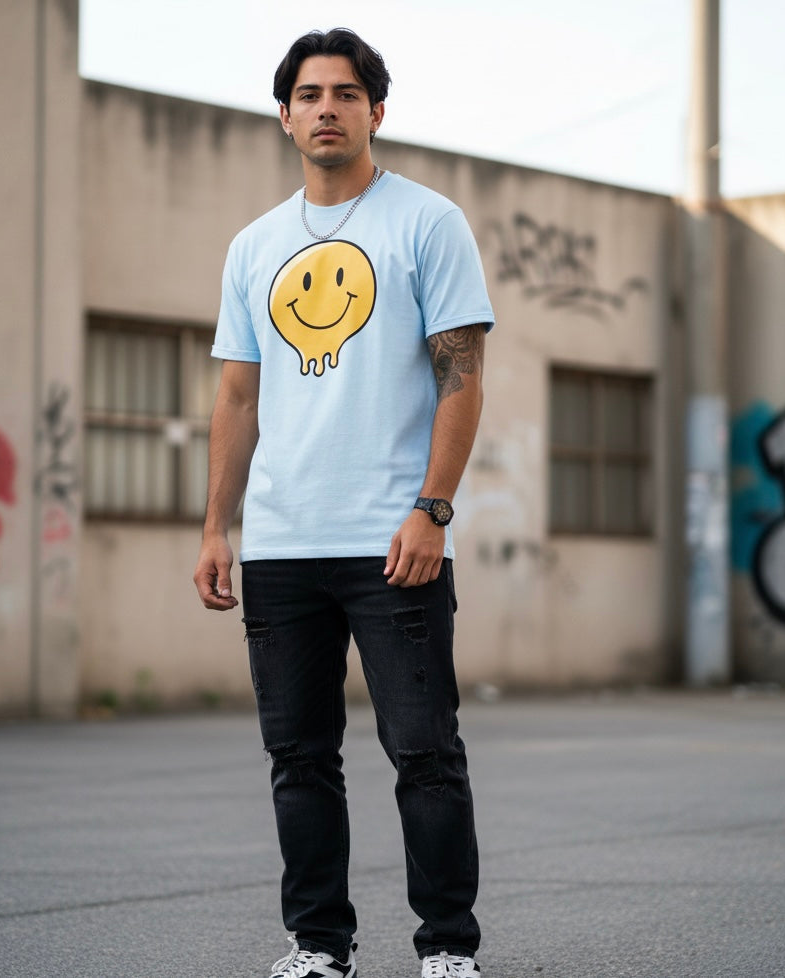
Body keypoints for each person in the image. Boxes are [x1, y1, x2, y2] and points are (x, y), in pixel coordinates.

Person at [194, 27, 493, 978]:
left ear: (375, 112)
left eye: (347, 93)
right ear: (285, 117)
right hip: (282, 547)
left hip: (392, 539)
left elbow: (463, 378)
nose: (328, 107)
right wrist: (216, 529)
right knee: (300, 761)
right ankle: (319, 945)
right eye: (311, 94)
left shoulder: (426, 222)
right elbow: (237, 396)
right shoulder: (254, 246)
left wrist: (432, 512)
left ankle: (447, 947)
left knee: (425, 753)